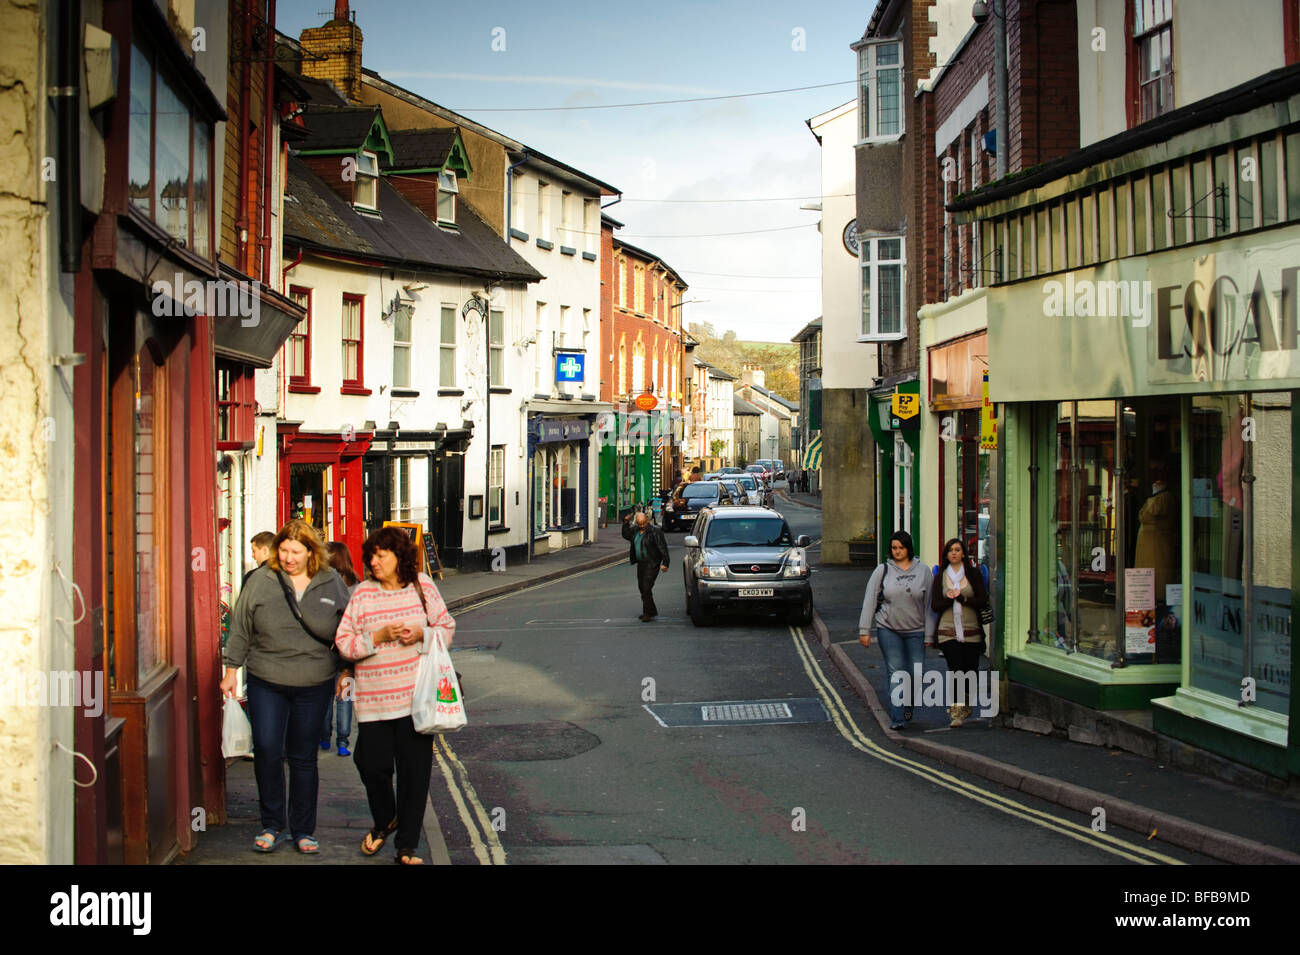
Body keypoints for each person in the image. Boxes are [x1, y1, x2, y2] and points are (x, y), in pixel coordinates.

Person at [221, 519, 350, 855]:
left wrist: (347, 669)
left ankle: (304, 830)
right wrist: (231, 669)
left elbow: (348, 626)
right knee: (266, 750)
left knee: (303, 756)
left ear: (311, 552)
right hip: (267, 679)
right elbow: (241, 626)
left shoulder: (330, 581)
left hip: (314, 681)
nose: (289, 557)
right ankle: (272, 824)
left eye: (296, 551)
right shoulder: (261, 581)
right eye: (284, 550)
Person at [334, 525, 455, 865]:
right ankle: (385, 818)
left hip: (417, 701)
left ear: (399, 557)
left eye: (380, 555)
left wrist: (422, 633)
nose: (373, 561)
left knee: (415, 776)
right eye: (370, 556)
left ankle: (406, 848)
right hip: (374, 701)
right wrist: (376, 637)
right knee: (370, 764)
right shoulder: (362, 594)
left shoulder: (422, 586)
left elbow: (447, 629)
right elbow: (344, 643)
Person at [858, 531, 933, 730]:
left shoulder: (924, 571)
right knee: (897, 672)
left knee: (916, 674)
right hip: (888, 629)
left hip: (917, 630)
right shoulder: (882, 571)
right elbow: (870, 600)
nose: (897, 551)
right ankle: (897, 717)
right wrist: (864, 630)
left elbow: (930, 605)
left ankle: (908, 706)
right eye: (894, 548)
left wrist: (929, 634)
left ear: (909, 548)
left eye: (901, 547)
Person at [930, 537, 989, 728]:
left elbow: (982, 599)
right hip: (947, 632)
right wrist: (949, 598)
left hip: (972, 631)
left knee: (970, 671)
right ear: (946, 555)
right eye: (950, 550)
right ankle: (956, 713)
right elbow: (935, 605)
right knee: (955, 670)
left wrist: (963, 599)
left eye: (957, 549)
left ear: (963, 553)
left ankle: (966, 702)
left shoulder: (973, 574)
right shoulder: (940, 577)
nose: (953, 553)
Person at [321, 541, 361, 757]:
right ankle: (343, 741)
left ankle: (325, 737)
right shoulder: (357, 586)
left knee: (326, 695)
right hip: (349, 651)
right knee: (345, 696)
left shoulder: (325, 585)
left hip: (327, 650)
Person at [622, 510, 670, 622]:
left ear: (647, 521)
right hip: (641, 563)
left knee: (646, 587)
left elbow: (662, 548)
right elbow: (626, 534)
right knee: (642, 587)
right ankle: (650, 611)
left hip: (652, 563)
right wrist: (625, 522)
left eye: (643, 523)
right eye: (640, 524)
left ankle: (648, 613)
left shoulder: (655, 532)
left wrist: (665, 563)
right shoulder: (635, 530)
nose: (642, 526)